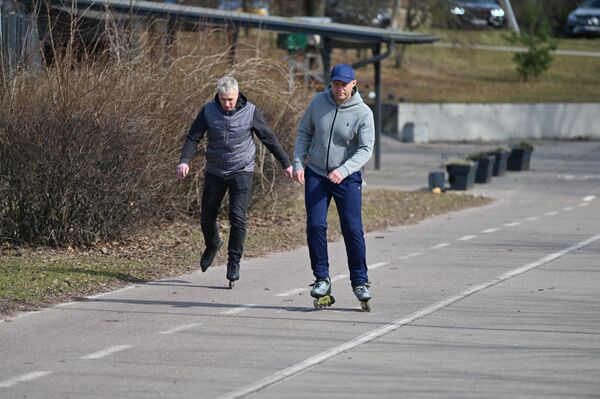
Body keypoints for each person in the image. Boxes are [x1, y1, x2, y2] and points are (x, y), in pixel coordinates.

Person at [177, 76, 293, 286]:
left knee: (237, 217)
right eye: (223, 99)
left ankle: (234, 262)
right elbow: (193, 136)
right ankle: (213, 243)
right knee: (206, 217)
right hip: (215, 170)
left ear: (237, 95)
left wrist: (286, 163)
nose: (227, 103)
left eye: (230, 99)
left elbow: (268, 137)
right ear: (218, 97)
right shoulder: (208, 110)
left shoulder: (250, 111)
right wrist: (184, 161)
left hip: (241, 170)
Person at [292, 63, 375, 306]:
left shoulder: (363, 113)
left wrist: (344, 169)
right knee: (315, 225)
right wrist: (298, 163)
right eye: (336, 84)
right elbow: (304, 132)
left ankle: (360, 281)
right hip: (316, 173)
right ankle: (321, 278)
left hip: (346, 179)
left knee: (352, 229)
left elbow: (365, 149)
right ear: (331, 83)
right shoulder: (318, 102)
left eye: (344, 85)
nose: (340, 89)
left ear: (354, 84)